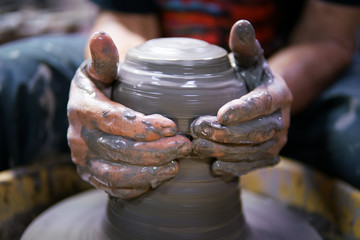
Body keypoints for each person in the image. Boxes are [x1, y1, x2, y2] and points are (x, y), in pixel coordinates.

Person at [0, 0, 359, 193]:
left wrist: (267, 92)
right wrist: (119, 86)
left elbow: (327, 32)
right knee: (9, 81)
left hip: (282, 76)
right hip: (146, 63)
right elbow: (126, 20)